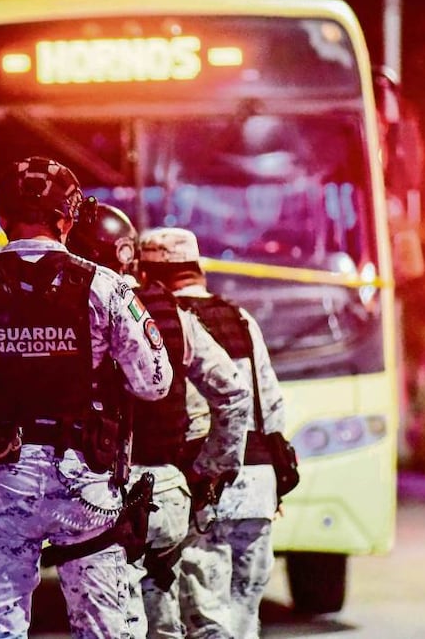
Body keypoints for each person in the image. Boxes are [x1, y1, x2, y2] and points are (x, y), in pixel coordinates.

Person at [0, 157, 173, 638]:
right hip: (85, 484)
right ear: (67, 219)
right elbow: (155, 381)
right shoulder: (104, 285)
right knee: (106, 630)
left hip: (0, 479)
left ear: (2, 218)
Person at [68, 205, 250, 638]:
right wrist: (209, 469)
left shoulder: (72, 309)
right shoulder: (170, 315)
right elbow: (235, 394)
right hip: (168, 494)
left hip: (100, 496)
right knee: (170, 618)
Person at [140, 227, 284, 639]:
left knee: (205, 622)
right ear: (197, 267)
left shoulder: (165, 323)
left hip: (202, 489)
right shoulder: (242, 318)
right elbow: (271, 407)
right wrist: (278, 485)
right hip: (257, 487)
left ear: (150, 275)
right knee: (243, 616)